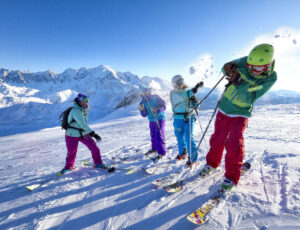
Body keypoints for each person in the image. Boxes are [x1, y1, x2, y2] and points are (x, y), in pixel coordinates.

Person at [200, 43, 277, 190]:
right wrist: (227, 66)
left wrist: (239, 81)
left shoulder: (271, 78)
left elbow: (253, 94)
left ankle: (231, 177)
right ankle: (211, 163)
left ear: (268, 65)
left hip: (240, 114)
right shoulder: (248, 61)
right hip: (223, 109)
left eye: (258, 68)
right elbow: (227, 68)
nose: (253, 70)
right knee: (217, 139)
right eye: (250, 66)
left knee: (234, 143)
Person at [60, 93, 104, 174]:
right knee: (72, 152)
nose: (86, 102)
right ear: (79, 100)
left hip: (83, 133)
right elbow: (82, 123)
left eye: (87, 100)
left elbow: (83, 124)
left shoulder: (82, 109)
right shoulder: (75, 110)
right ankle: (68, 167)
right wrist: (93, 134)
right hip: (72, 134)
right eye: (84, 100)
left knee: (94, 148)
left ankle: (98, 163)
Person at [170, 75, 204, 167]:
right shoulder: (173, 93)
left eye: (181, 83)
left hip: (188, 118)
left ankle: (193, 158)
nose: (179, 86)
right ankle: (183, 153)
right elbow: (181, 96)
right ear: (174, 85)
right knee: (179, 137)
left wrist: (195, 103)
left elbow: (197, 105)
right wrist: (193, 91)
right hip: (177, 118)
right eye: (177, 84)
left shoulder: (188, 93)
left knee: (188, 138)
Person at [138, 88, 167, 159]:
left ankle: (162, 152)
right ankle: (155, 149)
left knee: (159, 134)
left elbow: (164, 106)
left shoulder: (156, 97)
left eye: (147, 91)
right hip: (151, 120)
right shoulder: (142, 102)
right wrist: (142, 111)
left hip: (160, 118)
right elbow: (144, 115)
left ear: (150, 91)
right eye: (144, 92)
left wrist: (158, 109)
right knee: (153, 134)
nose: (146, 93)